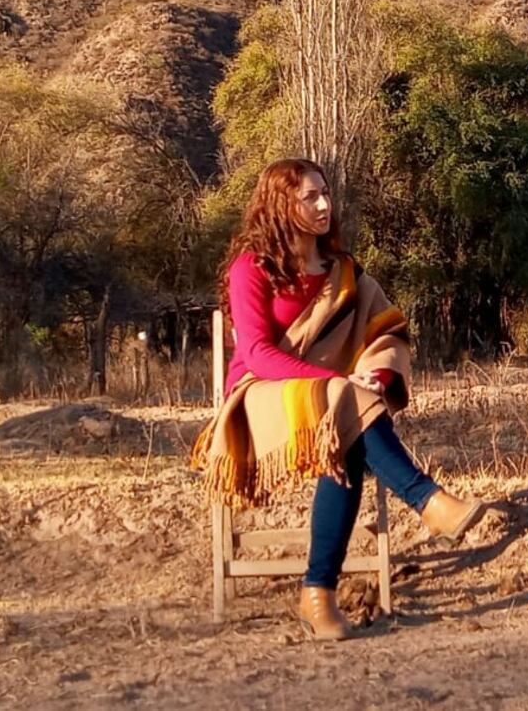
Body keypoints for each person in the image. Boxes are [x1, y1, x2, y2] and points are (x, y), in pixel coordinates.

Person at [191, 158, 484, 641]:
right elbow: (259, 354)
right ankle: (426, 499)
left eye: (325, 193)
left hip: (332, 401)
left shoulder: (342, 271)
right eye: (310, 197)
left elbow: (386, 326)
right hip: (261, 399)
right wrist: (340, 380)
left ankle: (317, 595)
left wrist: (377, 371)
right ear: (281, 204)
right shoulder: (252, 268)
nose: (324, 204)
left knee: (345, 437)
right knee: (342, 398)